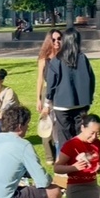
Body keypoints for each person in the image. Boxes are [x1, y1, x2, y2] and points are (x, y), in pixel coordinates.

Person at [45, 28, 95, 152]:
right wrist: (89, 96)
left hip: (62, 103)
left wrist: (48, 100)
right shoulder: (82, 58)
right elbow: (91, 79)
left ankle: (65, 161)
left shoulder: (56, 60)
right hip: (81, 102)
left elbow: (51, 83)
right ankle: (81, 156)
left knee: (64, 134)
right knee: (80, 132)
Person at [54, 114, 100, 198]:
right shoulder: (71, 145)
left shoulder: (97, 143)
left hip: (92, 185)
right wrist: (74, 168)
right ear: (82, 128)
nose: (94, 137)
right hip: (76, 187)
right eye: (92, 133)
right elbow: (57, 168)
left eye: (98, 133)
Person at [35, 29, 63, 164]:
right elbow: (40, 79)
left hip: (61, 92)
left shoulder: (64, 56)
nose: (57, 42)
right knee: (46, 123)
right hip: (48, 92)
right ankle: (49, 156)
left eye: (59, 39)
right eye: (53, 39)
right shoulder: (44, 58)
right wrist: (38, 99)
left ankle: (59, 152)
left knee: (59, 122)